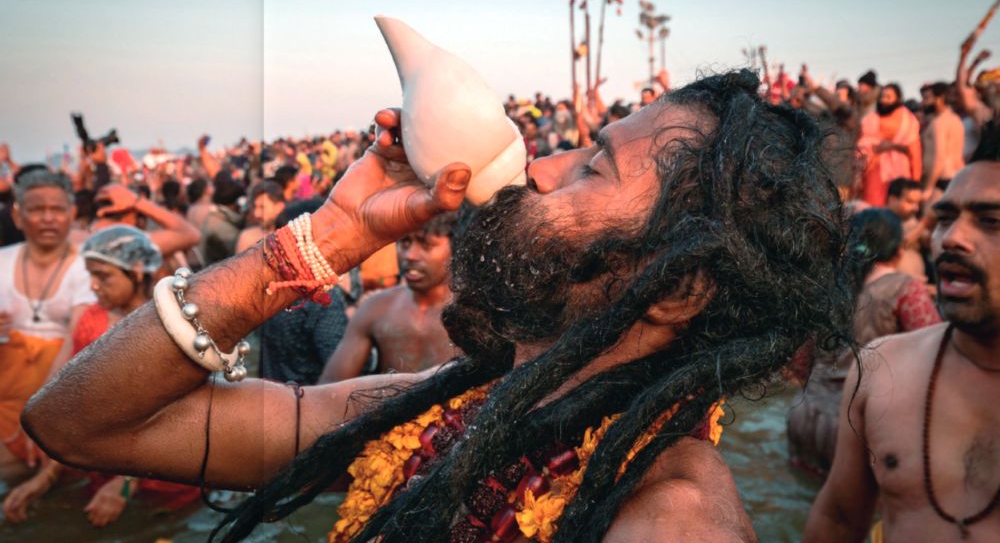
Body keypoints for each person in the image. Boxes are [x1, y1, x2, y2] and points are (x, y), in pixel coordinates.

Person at [24, 71, 851, 542]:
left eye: (592, 167)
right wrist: (329, 237)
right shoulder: (436, 414)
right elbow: (77, 423)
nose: (540, 166)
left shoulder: (672, 520)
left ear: (676, 289)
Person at [804, 127, 1000, 542]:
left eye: (990, 221)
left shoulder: (837, 286)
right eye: (944, 219)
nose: (951, 238)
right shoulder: (882, 367)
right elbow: (838, 519)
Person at [2, 225, 200, 526]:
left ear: (137, 271)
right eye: (90, 275)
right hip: (105, 467)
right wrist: (45, 477)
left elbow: (179, 415)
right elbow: (77, 405)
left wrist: (126, 484)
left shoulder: (169, 324)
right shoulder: (91, 320)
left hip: (165, 476)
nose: (93, 286)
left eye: (103, 276)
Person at [787, 208, 940, 476]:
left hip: (804, 415)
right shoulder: (905, 290)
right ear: (899, 251)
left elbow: (798, 365)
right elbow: (938, 359)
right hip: (859, 426)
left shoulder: (826, 286)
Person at [0, 170, 95, 475]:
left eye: (57, 209)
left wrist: (39, 414)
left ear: (72, 214)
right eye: (37, 210)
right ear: (18, 217)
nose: (48, 219)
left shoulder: (87, 267)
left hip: (59, 393)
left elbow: (75, 338)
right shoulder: (2, 262)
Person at [319, 211, 460, 382]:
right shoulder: (376, 308)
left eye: (426, 245)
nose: (410, 255)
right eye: (405, 243)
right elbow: (332, 385)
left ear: (455, 248)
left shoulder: (472, 312)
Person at [257, 199, 352, 386]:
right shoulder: (321, 298)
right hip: (308, 398)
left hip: (272, 394)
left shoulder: (273, 287)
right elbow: (338, 370)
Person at [89, 183, 201, 259]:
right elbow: (192, 235)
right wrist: (137, 201)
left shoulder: (84, 238)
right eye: (140, 216)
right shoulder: (123, 243)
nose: (141, 222)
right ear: (129, 217)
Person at [858, 83, 922, 206]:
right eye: (882, 96)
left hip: (899, 174)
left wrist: (892, 146)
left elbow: (914, 151)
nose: (884, 100)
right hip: (873, 172)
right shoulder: (870, 118)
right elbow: (861, 146)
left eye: (888, 97)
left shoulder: (908, 120)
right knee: (872, 209)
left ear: (898, 99)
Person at [921, 81, 966, 199]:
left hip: (942, 178)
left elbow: (939, 156)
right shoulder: (955, 119)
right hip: (957, 176)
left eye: (927, 98)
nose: (923, 102)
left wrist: (929, 187)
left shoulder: (939, 123)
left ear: (940, 99)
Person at [235, 180, 286, 254]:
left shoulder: (291, 236)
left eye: (262, 207)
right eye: (255, 207)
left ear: (279, 207)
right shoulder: (248, 238)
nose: (256, 214)